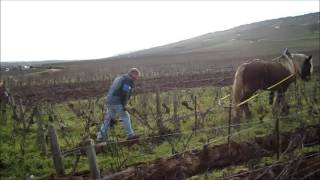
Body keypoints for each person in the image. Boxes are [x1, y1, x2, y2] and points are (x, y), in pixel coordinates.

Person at [96, 68, 140, 142]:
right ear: (133, 74)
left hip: (110, 100)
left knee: (107, 119)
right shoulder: (128, 80)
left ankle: (100, 137)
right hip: (117, 101)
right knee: (125, 116)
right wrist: (124, 105)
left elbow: (112, 89)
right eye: (137, 76)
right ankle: (130, 135)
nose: (137, 78)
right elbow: (124, 93)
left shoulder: (120, 77)